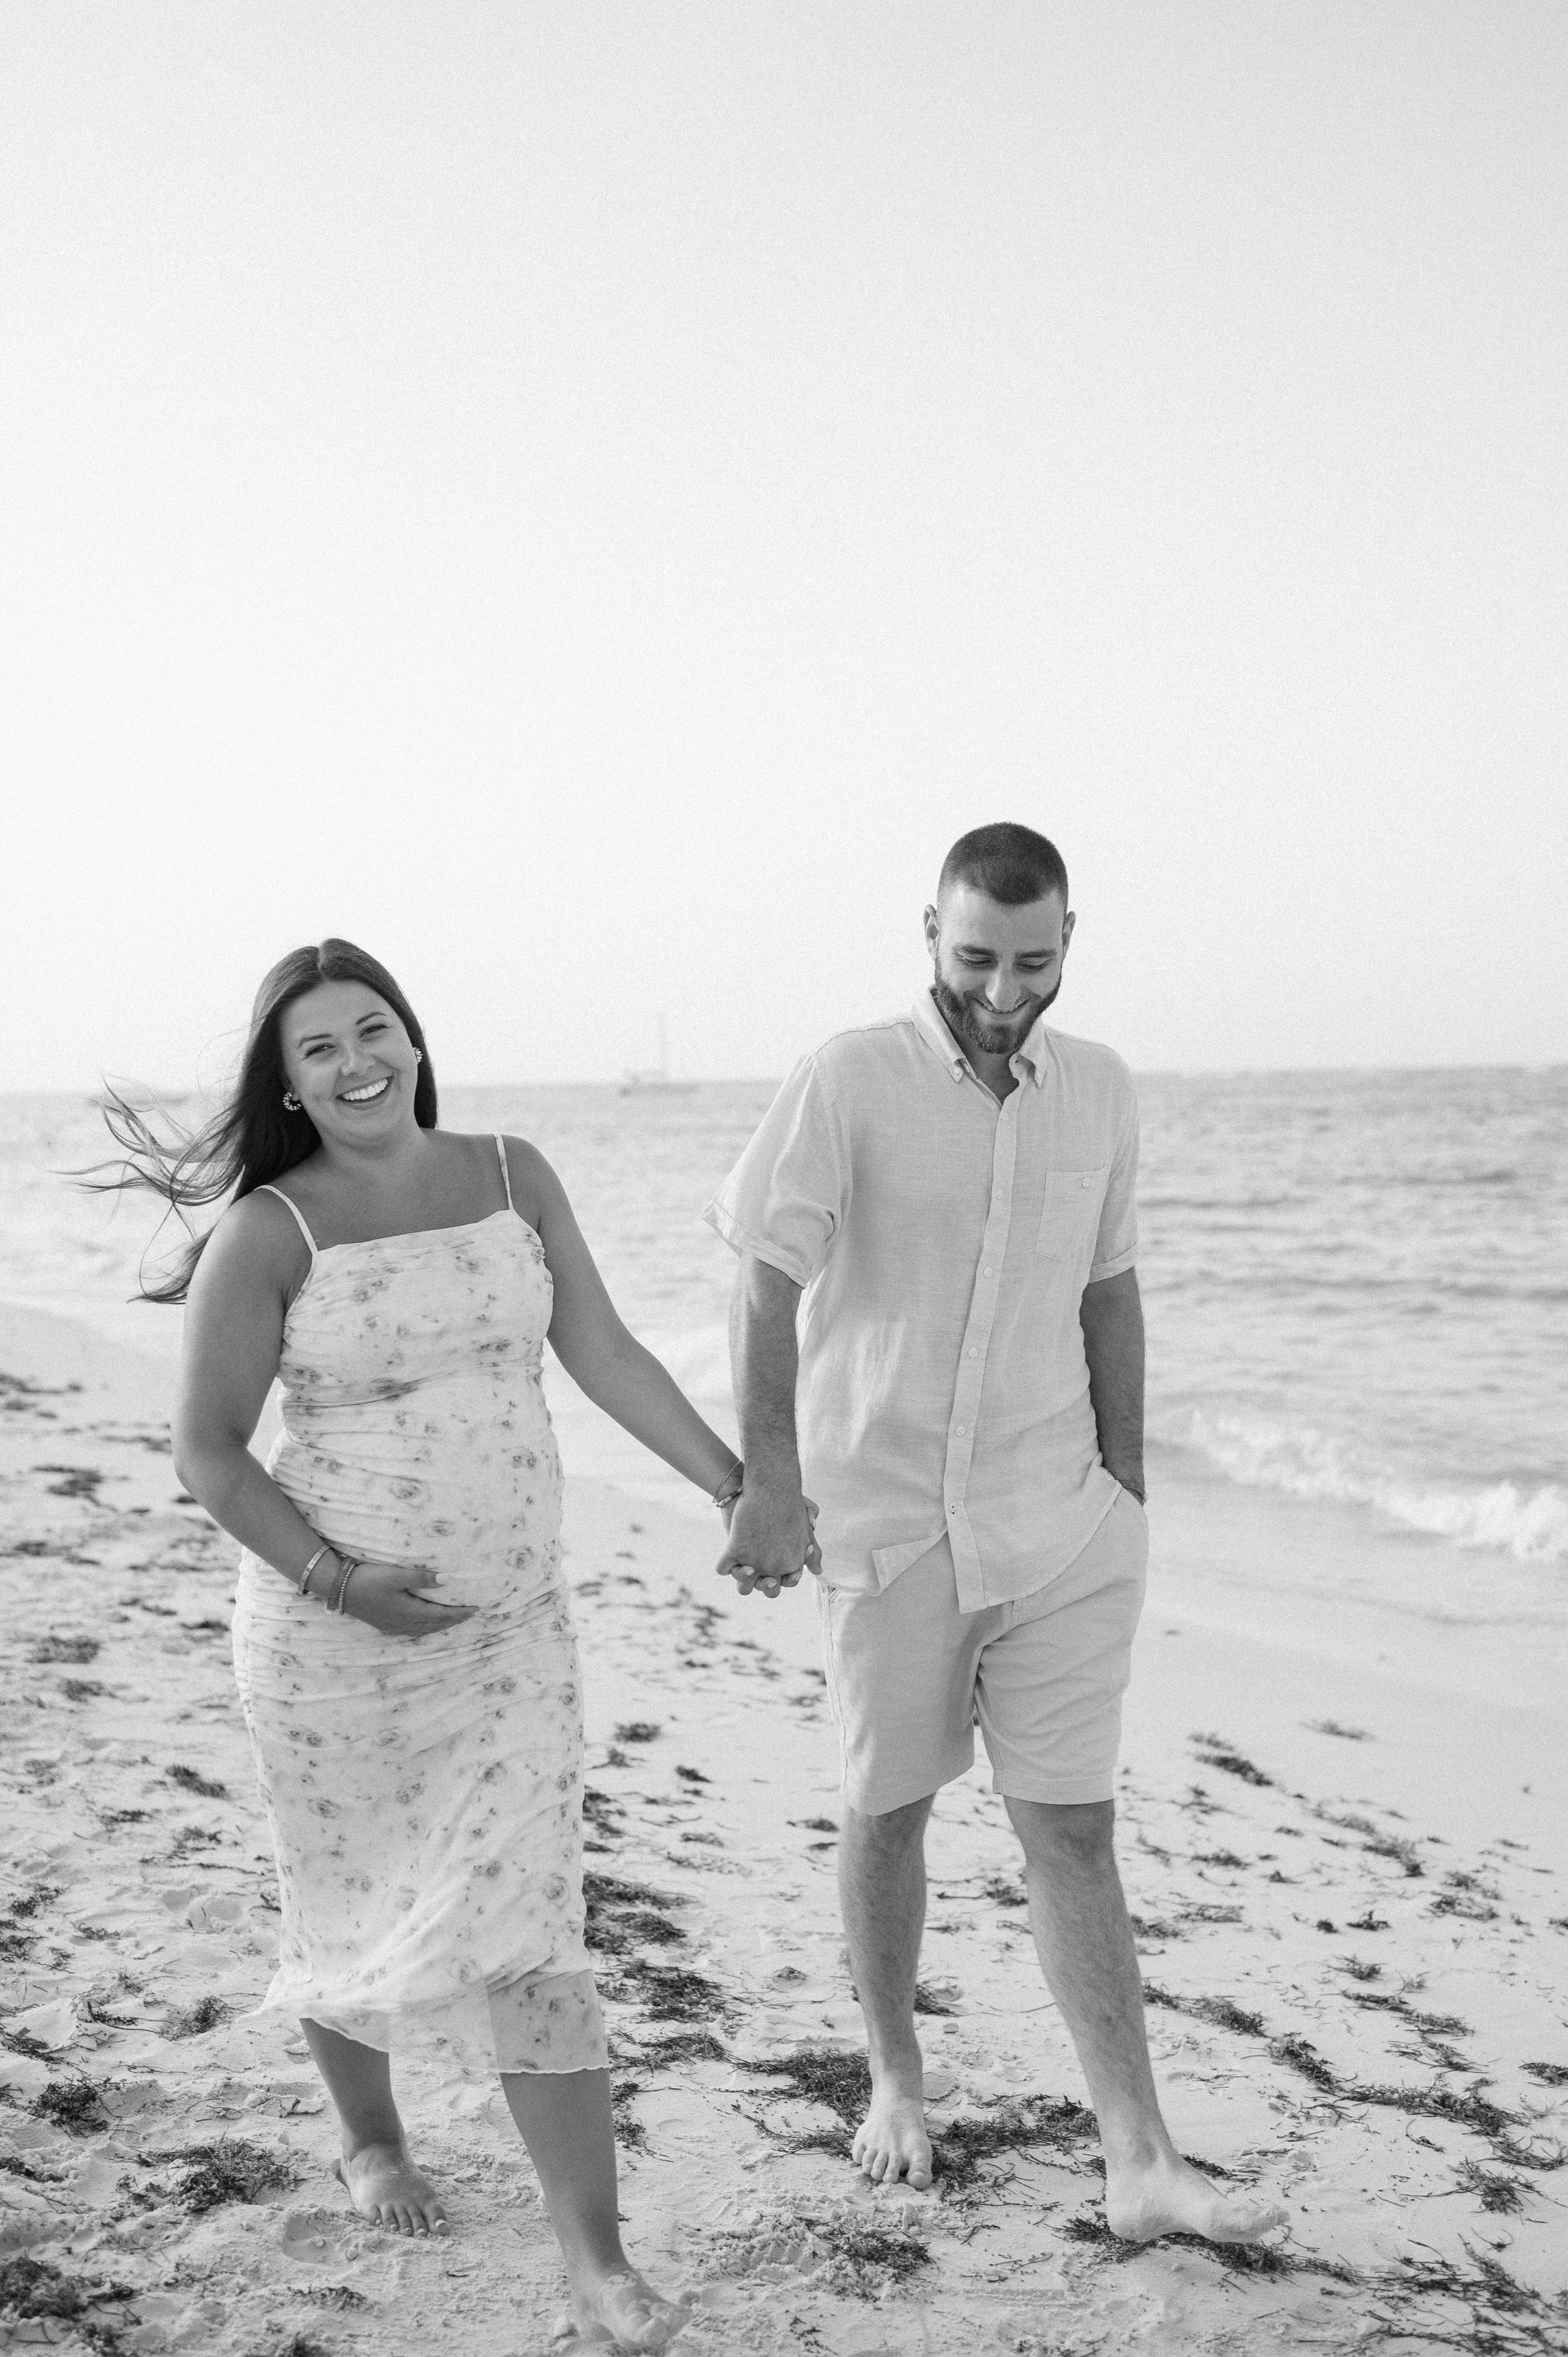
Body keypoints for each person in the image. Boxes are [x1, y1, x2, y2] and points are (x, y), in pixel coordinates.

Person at [103, 938, 784, 2352]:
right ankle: (371, 2141)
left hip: (514, 1629)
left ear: (413, 1036)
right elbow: (208, 1453)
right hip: (327, 1639)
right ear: (286, 1081)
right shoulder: (270, 1230)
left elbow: (597, 1346)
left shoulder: (512, 1170)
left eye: (376, 1029)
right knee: (344, 1895)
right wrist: (342, 1580)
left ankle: (596, 2260)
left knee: (540, 1927)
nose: (358, 1063)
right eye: (320, 1048)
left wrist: (735, 1482)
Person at [705, 823, 1285, 2246]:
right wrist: (770, 1479)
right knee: (889, 1805)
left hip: (1062, 1518)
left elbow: (1112, 1289)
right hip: (889, 1517)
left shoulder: (1099, 1090)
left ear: (1071, 940)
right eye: (977, 959)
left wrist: (1128, 1484)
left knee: (1074, 1827)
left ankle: (1140, 2159)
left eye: (1034, 961)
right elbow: (763, 1279)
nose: (1006, 989)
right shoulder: (848, 1076)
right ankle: (897, 2075)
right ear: (930, 934)